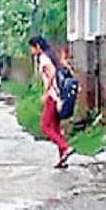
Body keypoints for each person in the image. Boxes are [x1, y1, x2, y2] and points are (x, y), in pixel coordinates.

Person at [29, 35, 74, 168]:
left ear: (37, 46)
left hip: (52, 96)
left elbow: (52, 73)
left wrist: (46, 92)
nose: (31, 51)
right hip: (58, 95)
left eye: (32, 48)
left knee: (45, 126)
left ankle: (64, 147)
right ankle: (62, 158)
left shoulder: (43, 58)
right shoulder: (50, 55)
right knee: (55, 127)